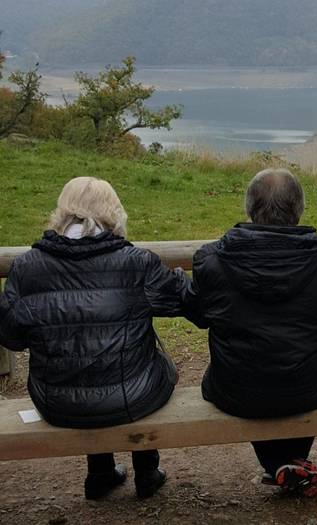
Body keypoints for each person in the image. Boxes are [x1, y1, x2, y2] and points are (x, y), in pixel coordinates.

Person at [0, 177, 190, 500]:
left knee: (91, 370)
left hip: (55, 400)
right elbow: (184, 300)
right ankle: (147, 470)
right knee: (154, 364)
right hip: (131, 397)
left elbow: (12, 336)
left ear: (62, 212)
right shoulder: (136, 263)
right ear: (113, 212)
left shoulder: (27, 267)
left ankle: (100, 474)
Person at [186, 168, 317, 497]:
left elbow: (199, 314)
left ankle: (279, 466)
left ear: (250, 210)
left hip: (234, 388)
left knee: (253, 374)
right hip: (308, 385)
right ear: (298, 210)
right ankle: (289, 463)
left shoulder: (211, 261)